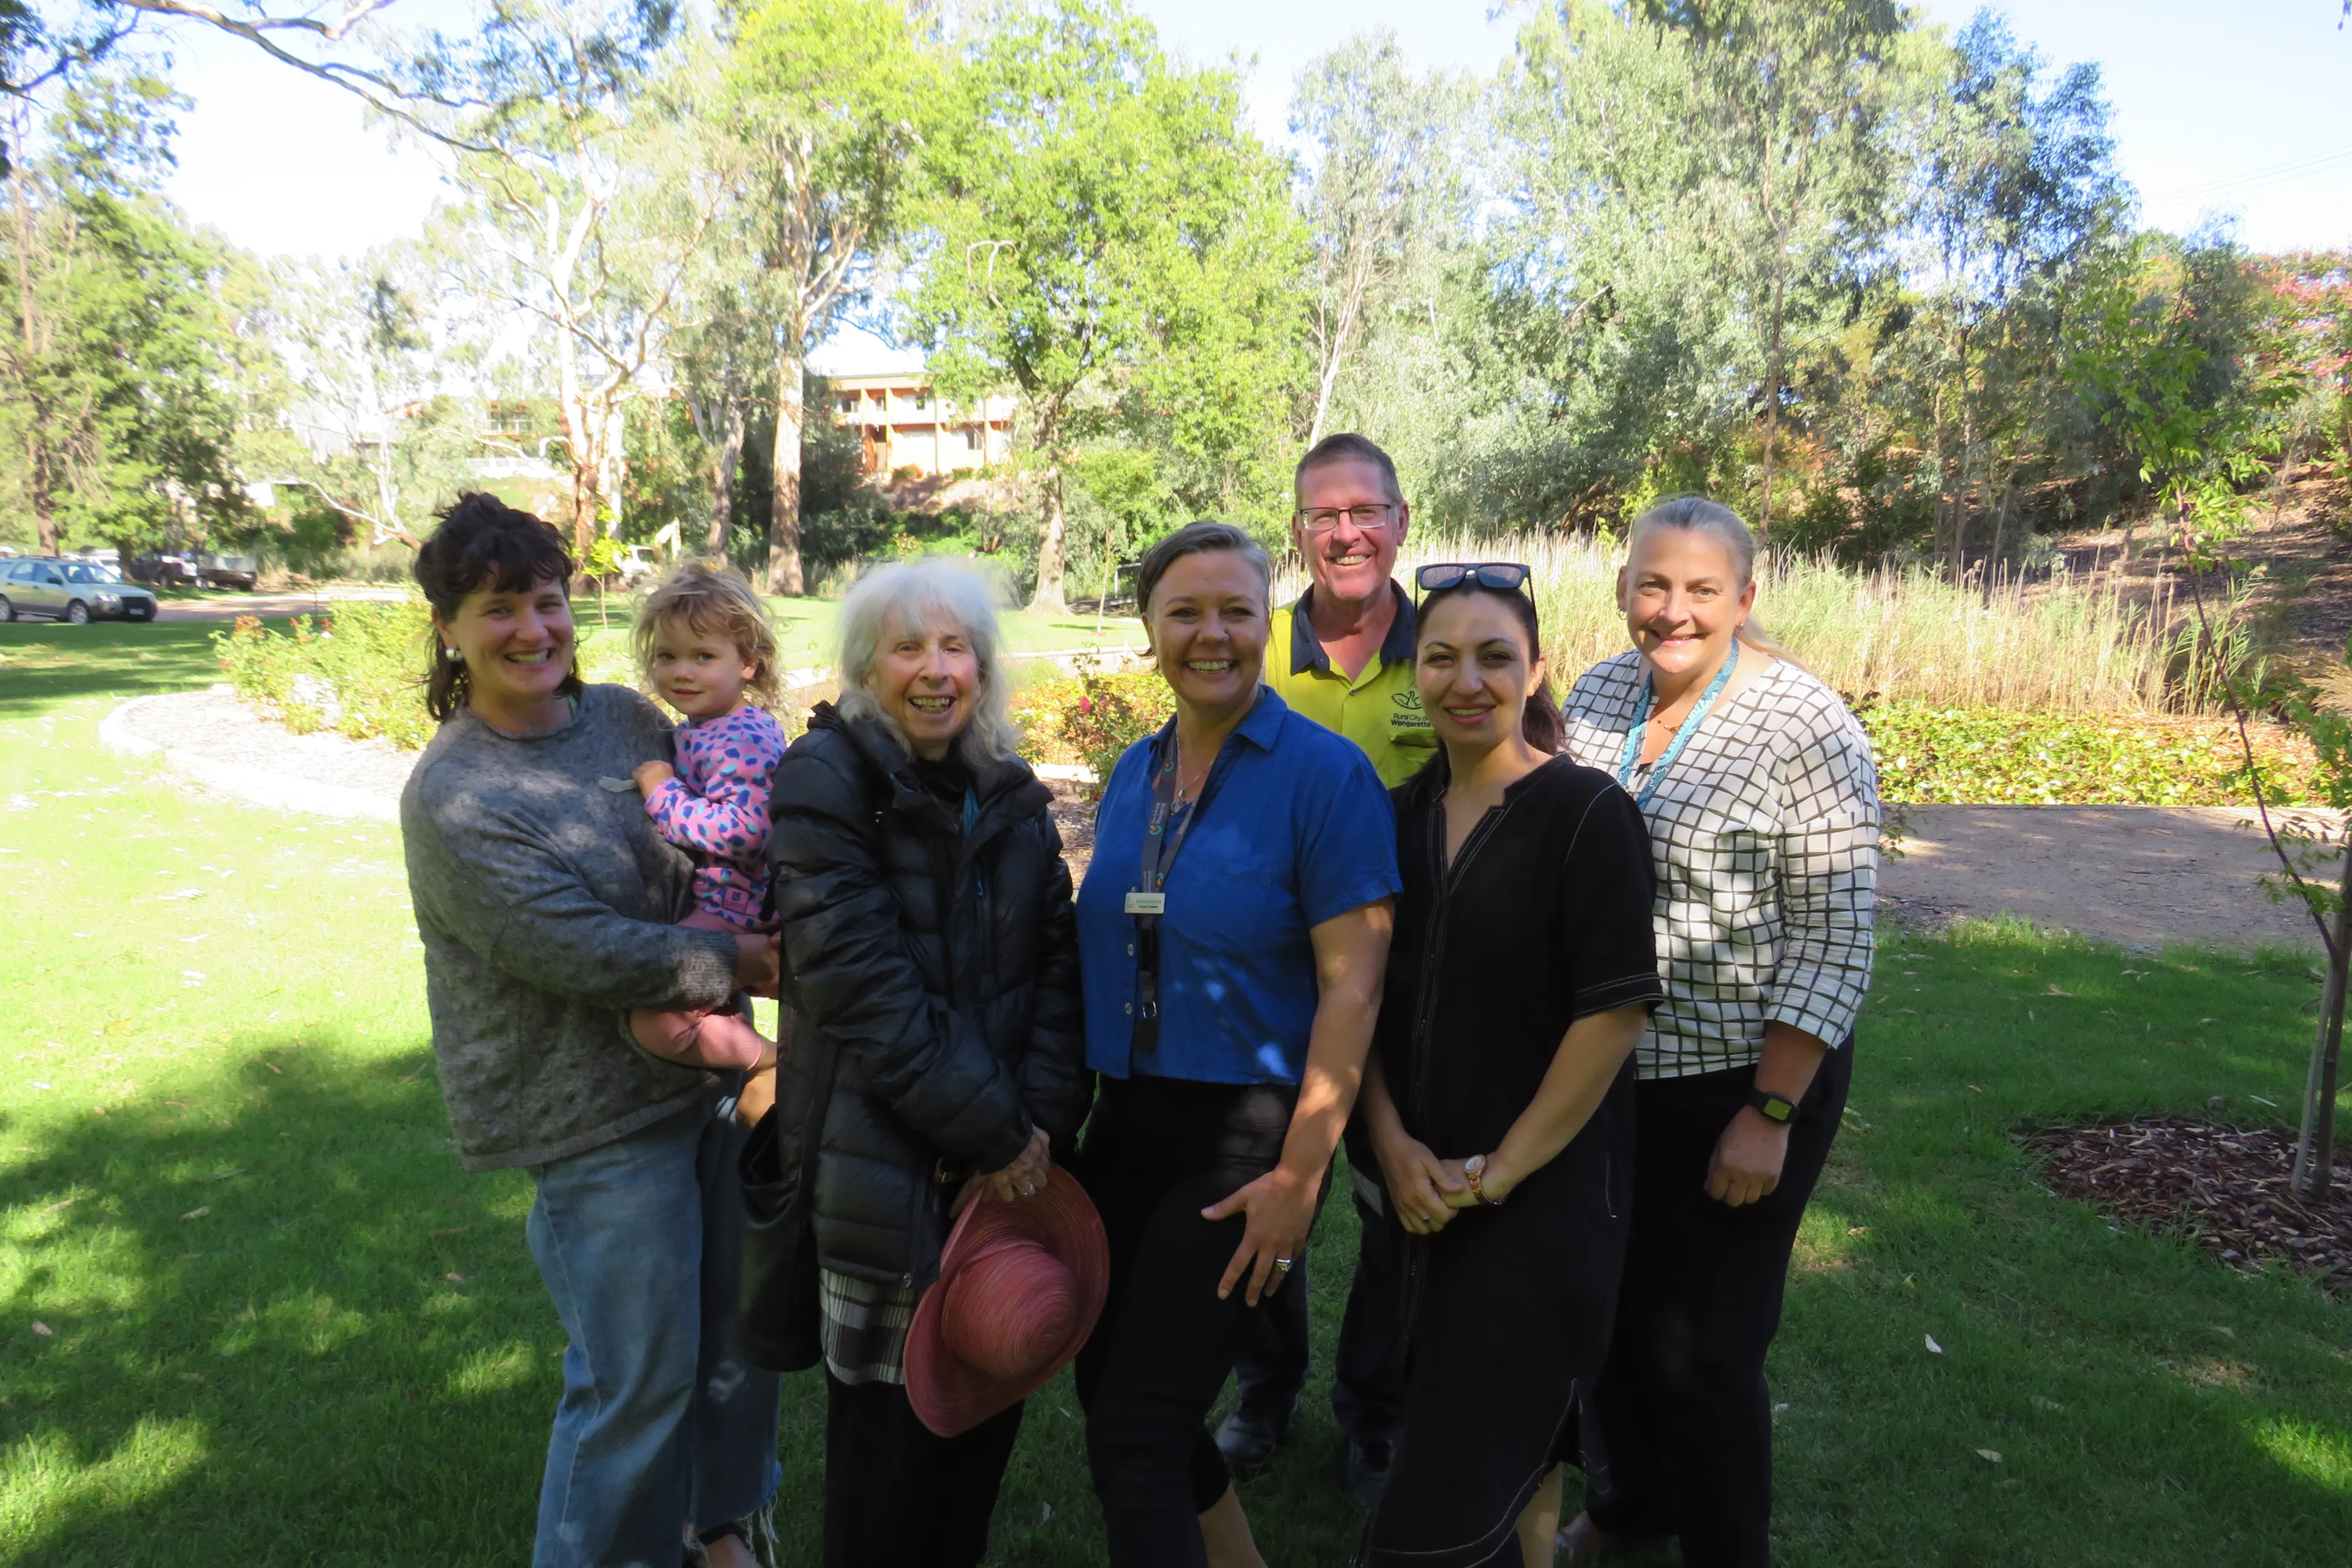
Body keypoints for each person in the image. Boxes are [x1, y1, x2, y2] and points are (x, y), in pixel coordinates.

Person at [398, 494, 779, 1568]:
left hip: (715, 1083)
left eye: (547, 600)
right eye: (497, 608)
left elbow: (728, 839)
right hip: (594, 1122)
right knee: (637, 1379)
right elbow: (587, 952)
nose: (532, 629)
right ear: (450, 631)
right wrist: (750, 964)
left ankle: (720, 1534)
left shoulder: (622, 716)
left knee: (740, 1349)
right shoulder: (456, 794)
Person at [1555, 497, 1880, 1568]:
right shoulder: (1597, 695)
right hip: (1606, 1074)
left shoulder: (1806, 725)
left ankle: (1727, 1552)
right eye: (1653, 585)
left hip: (1741, 1080)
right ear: (1623, 593)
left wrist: (1771, 1111)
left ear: (1745, 598)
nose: (1674, 610)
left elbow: (1834, 937)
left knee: (1704, 1350)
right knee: (1609, 1315)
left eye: (1701, 589)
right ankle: (1633, 1507)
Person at [1072, 520, 1399, 1568]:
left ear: (1270, 621)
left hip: (1241, 1141)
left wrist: (1301, 1176)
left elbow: (1357, 986)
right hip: (1121, 1128)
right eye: (1184, 613)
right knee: (1108, 1387)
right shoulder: (1135, 769)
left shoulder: (1325, 777)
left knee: (1135, 1429)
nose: (1210, 635)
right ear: (1149, 629)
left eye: (1236, 612)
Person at [758, 558, 1091, 1568]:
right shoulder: (828, 781)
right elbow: (866, 990)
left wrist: (1032, 1131)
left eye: (956, 647)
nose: (936, 669)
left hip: (1001, 1178)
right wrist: (998, 1134)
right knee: (885, 1476)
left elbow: (1056, 973)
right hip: (885, 1177)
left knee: (977, 1419)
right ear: (867, 667)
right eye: (909, 647)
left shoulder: (1012, 795)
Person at [1359, 562, 1663, 1568]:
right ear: (1415, 677)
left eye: (1495, 657)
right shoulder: (1393, 821)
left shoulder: (1587, 815)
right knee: (1506, 1444)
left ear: (1535, 672)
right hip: (1417, 1185)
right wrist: (1391, 1143)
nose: (1467, 681)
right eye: (1440, 658)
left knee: (1447, 1478)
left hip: (1544, 1195)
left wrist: (1501, 1173)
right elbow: (1353, 1000)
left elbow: (1612, 1016)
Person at [1226, 432, 1422, 1502]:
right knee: (1264, 1185)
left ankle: (1376, 1413)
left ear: (1400, 521)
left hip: (1421, 986)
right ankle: (1265, 1392)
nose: (1345, 533)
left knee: (1395, 1205)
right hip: (1276, 987)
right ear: (1299, 532)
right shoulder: (1259, 651)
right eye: (1323, 516)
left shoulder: (1449, 649)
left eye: (1365, 512)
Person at [626, 559, 788, 1074]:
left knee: (659, 1020)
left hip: (737, 909)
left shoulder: (739, 737)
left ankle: (773, 1063)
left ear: (749, 663)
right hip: (732, 904)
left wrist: (663, 795)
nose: (681, 671)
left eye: (703, 655)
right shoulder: (710, 726)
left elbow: (747, 831)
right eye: (667, 655)